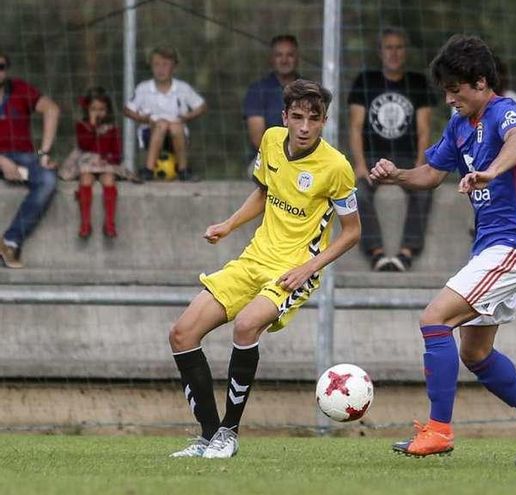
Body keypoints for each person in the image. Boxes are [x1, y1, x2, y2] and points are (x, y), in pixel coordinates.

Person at [369, 34, 516, 465]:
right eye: (444, 91)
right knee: (474, 352)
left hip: (514, 243)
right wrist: (395, 174)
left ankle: (438, 431)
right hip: (488, 249)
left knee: (434, 319)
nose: (449, 98)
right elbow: (432, 174)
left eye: (455, 90)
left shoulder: (502, 110)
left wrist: (490, 172)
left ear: (479, 82)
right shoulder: (458, 125)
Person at [167, 79, 360, 459]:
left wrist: (309, 268)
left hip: (292, 271)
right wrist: (228, 225)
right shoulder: (271, 140)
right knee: (182, 333)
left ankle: (229, 433)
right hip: (254, 259)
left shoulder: (337, 167)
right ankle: (208, 436)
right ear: (285, 117)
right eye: (299, 117)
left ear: (324, 121)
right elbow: (263, 191)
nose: (305, 127)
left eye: (314, 119)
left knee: (246, 325)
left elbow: (352, 232)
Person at [349, 27, 436, 272]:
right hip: (372, 157)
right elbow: (355, 127)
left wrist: (420, 164)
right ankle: (377, 254)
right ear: (380, 52)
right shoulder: (365, 81)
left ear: (405, 52)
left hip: (407, 157)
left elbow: (424, 130)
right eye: (389, 47)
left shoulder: (417, 83)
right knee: (356, 191)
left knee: (424, 191)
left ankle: (405, 254)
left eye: (399, 47)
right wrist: (360, 165)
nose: (394, 53)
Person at [0, 49, 59, 269]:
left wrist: (43, 153)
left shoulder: (19, 88)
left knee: (48, 180)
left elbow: (52, 109)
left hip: (22, 156)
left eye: (1, 66)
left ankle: (10, 241)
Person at [124, 46, 207, 182]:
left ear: (174, 67)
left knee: (175, 126)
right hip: (150, 133)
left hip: (177, 134)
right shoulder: (144, 88)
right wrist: (143, 119)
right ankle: (148, 170)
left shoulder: (182, 88)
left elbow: (202, 106)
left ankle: (183, 170)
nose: (160, 69)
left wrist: (187, 117)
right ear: (150, 66)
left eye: (165, 64)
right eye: (156, 64)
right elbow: (127, 109)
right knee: (161, 125)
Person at [59, 87, 123, 239]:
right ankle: (85, 223)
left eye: (101, 109)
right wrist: (93, 126)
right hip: (86, 163)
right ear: (87, 109)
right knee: (86, 179)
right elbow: (84, 145)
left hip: (104, 163)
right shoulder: (82, 126)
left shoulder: (112, 128)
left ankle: (109, 223)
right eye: (93, 109)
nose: (97, 113)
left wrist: (107, 158)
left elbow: (117, 152)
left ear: (108, 110)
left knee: (109, 179)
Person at [243, 34, 300, 164]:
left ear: (297, 58)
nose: (284, 60)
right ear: (271, 59)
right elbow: (258, 139)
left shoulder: (309, 90)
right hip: (266, 160)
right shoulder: (257, 91)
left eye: (289, 55)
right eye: (279, 55)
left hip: (304, 158)